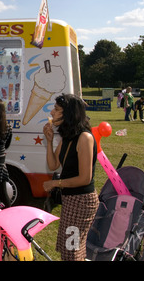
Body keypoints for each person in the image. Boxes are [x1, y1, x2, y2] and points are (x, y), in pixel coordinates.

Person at [42, 94, 99, 261]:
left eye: (57, 110)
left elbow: (84, 178)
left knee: (71, 249)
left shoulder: (84, 137)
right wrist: (49, 141)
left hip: (82, 202)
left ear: (69, 113)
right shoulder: (68, 136)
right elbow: (53, 165)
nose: (52, 113)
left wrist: (56, 183)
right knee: (70, 248)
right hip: (71, 199)